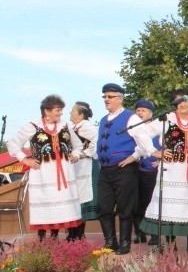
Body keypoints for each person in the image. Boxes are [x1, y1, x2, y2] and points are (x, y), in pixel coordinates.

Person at [7, 94, 83, 240]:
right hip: (43, 173)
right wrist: (25, 159)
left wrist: (75, 154)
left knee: (64, 205)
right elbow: (13, 143)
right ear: (47, 111)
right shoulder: (33, 126)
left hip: (65, 173)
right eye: (58, 110)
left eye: (61, 110)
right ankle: (43, 239)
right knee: (45, 203)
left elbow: (78, 145)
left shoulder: (65, 126)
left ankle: (62, 237)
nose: (61, 113)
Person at [96, 83, 158, 255]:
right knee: (104, 207)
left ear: (120, 98)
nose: (106, 100)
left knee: (125, 207)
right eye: (105, 97)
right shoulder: (102, 120)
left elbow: (144, 142)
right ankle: (110, 241)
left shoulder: (131, 118)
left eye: (110, 96)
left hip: (124, 169)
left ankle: (125, 242)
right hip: (106, 170)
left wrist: (133, 157)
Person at [140, 91, 188, 256]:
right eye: (178, 102)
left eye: (186, 101)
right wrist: (154, 151)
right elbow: (140, 131)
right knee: (169, 210)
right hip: (171, 171)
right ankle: (171, 246)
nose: (183, 105)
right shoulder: (166, 119)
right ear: (174, 105)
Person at [69, 101, 99, 240]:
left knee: (82, 198)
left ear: (81, 115)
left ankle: (78, 234)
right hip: (74, 167)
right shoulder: (73, 127)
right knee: (73, 199)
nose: (70, 113)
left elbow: (97, 140)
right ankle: (72, 232)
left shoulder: (86, 126)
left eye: (73, 111)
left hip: (84, 166)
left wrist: (85, 153)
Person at [131, 99, 159, 245]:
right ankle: (139, 233)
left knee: (151, 202)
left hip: (152, 172)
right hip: (136, 170)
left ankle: (154, 235)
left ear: (150, 113)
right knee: (137, 203)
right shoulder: (133, 129)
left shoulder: (158, 129)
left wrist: (160, 161)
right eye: (138, 110)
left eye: (143, 110)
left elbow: (167, 147)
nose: (140, 113)